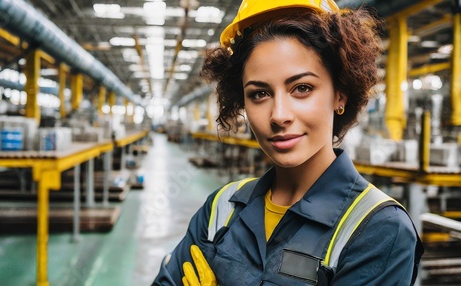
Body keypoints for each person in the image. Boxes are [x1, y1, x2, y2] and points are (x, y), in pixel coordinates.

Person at [153, 0, 423, 285]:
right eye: (259, 94)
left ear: (340, 94)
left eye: (302, 88)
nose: (279, 115)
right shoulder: (221, 209)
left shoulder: (378, 229)